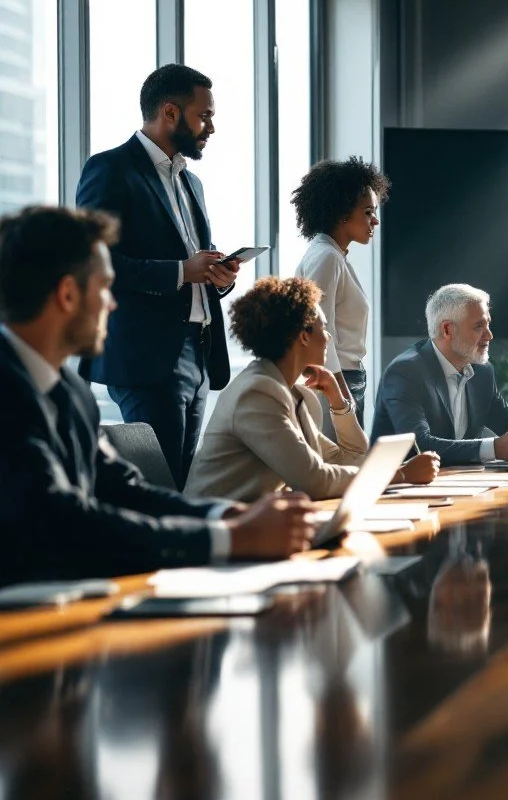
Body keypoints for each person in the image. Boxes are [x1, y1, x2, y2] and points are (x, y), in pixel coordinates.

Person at [0, 205, 315, 580]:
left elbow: (123, 489)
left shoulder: (68, 389)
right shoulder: (8, 391)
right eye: (105, 287)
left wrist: (225, 515)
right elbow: (64, 521)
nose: (112, 303)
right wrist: (228, 539)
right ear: (68, 295)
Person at [76, 64, 240, 490]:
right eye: (204, 116)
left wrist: (218, 276)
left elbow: (192, 266)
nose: (212, 127)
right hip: (148, 357)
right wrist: (183, 271)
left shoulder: (192, 182)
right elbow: (96, 263)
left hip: (198, 352)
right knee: (159, 488)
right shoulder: (110, 170)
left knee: (184, 485)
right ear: (170, 112)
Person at [185, 277, 439, 502]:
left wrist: (338, 401)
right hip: (214, 532)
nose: (328, 337)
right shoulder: (257, 392)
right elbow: (314, 481)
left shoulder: (294, 393)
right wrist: (401, 474)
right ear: (304, 335)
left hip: (255, 525)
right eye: (324, 328)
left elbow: (353, 458)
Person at [371, 283, 508, 466]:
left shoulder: (482, 372)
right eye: (479, 326)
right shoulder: (405, 372)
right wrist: (494, 448)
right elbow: (418, 445)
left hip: (456, 483)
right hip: (400, 486)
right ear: (447, 330)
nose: (489, 335)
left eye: (488, 324)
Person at [293, 157, 389, 426]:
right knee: (342, 462)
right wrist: (340, 393)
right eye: (368, 212)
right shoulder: (327, 257)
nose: (375, 221)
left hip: (345, 379)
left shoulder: (333, 255)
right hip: (335, 381)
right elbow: (321, 331)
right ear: (342, 212)